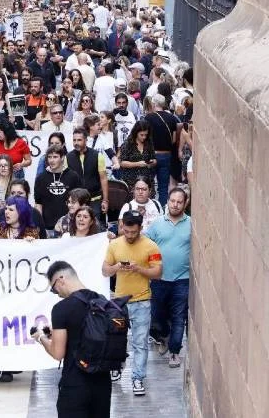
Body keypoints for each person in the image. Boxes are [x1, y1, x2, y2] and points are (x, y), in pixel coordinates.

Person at [33, 260, 112, 418]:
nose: (58, 294)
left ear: (61, 280)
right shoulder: (102, 301)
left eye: (55, 290)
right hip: (102, 383)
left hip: (75, 383)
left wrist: (41, 338)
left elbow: (58, 353)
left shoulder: (61, 308)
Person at [102, 210, 162, 395]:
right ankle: (116, 367)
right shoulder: (114, 245)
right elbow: (105, 270)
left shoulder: (151, 247)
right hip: (119, 302)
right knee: (117, 340)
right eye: (126, 231)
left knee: (140, 342)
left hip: (142, 300)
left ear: (140, 228)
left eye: (133, 232)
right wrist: (116, 267)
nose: (129, 235)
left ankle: (137, 378)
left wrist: (139, 269)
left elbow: (158, 273)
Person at [144, 188, 190, 368]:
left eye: (179, 202)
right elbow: (144, 244)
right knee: (157, 315)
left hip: (182, 279)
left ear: (185, 203)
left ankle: (174, 352)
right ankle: (163, 335)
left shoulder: (191, 224)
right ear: (167, 201)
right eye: (172, 201)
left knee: (179, 316)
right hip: (159, 278)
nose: (175, 205)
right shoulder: (157, 224)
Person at [34, 145, 82, 232]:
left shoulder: (73, 176)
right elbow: (38, 204)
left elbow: (79, 203)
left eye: (55, 157)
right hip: (47, 227)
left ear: (62, 157)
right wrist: (39, 224)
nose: (51, 160)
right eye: (49, 157)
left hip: (69, 226)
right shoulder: (41, 178)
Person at [67, 128, 109, 224]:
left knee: (96, 227)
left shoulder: (97, 156)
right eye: (74, 140)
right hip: (76, 201)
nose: (76, 143)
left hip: (95, 199)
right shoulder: (68, 157)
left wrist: (105, 200)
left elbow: (103, 179)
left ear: (86, 140)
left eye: (79, 140)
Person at [143, 94, 178, 205]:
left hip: (152, 155)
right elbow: (174, 139)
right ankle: (162, 210)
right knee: (163, 188)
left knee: (147, 184)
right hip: (166, 155)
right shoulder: (172, 118)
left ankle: (149, 208)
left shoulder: (149, 117)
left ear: (153, 104)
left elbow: (144, 137)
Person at [118, 121, 157, 194]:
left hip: (146, 180)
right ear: (136, 133)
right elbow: (122, 162)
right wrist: (137, 164)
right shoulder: (128, 144)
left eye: (146, 135)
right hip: (131, 181)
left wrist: (152, 163)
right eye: (141, 135)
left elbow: (154, 158)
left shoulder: (148, 143)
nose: (144, 137)